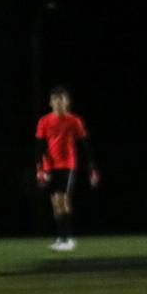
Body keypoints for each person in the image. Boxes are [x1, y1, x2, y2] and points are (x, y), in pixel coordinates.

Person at [35, 86, 98, 250]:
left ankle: (67, 239)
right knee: (55, 203)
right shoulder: (44, 121)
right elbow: (40, 146)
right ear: (50, 103)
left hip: (67, 165)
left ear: (67, 102)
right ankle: (61, 237)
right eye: (55, 99)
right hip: (50, 166)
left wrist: (92, 169)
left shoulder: (74, 121)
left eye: (61, 99)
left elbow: (85, 146)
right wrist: (39, 168)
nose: (58, 102)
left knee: (63, 200)